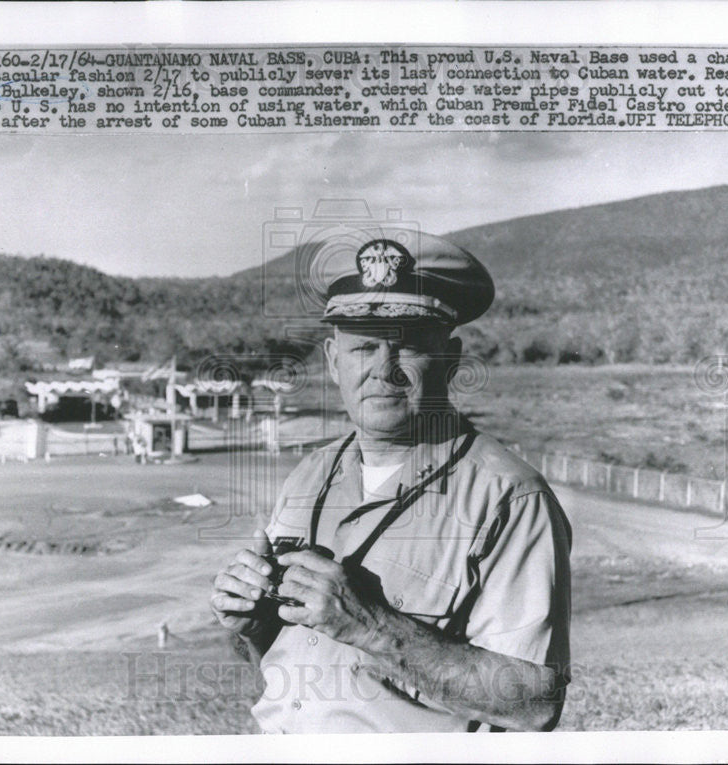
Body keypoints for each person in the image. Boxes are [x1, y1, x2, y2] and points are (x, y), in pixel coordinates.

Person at [210, 229, 572, 733]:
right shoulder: (308, 476)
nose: (384, 370)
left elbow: (534, 703)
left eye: (408, 349)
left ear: (449, 359)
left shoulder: (508, 497)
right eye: (362, 349)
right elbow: (284, 660)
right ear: (335, 363)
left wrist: (373, 626)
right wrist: (250, 627)